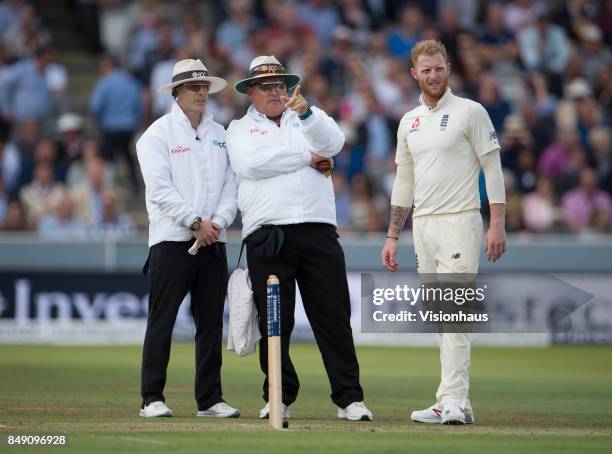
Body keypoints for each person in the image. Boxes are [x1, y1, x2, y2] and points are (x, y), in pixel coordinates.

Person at [227, 55, 372, 421]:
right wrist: (307, 157)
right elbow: (250, 164)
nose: (276, 92)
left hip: (319, 228)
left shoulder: (309, 117)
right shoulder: (239, 129)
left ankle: (349, 399)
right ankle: (278, 396)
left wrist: (307, 115)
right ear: (251, 94)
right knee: (275, 322)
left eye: (280, 85)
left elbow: (335, 143)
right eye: (266, 87)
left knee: (333, 318)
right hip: (268, 232)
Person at [380, 40, 507, 425]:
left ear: (448, 69)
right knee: (441, 316)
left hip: (460, 219)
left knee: (454, 312)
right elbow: (405, 180)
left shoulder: (471, 112)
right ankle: (455, 401)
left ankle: (452, 399)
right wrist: (391, 235)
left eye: (439, 68)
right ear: (413, 74)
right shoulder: (409, 122)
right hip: (424, 227)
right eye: (426, 70)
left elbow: (493, 168)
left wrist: (497, 223)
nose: (433, 75)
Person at [136, 58, 238, 418]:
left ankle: (209, 399)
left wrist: (217, 223)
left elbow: (231, 185)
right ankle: (152, 398)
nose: (201, 93)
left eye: (204, 87)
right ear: (177, 93)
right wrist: (194, 221)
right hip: (171, 240)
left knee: (210, 322)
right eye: (194, 88)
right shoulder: (157, 134)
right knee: (161, 320)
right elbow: (160, 189)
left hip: (213, 240)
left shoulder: (221, 134)